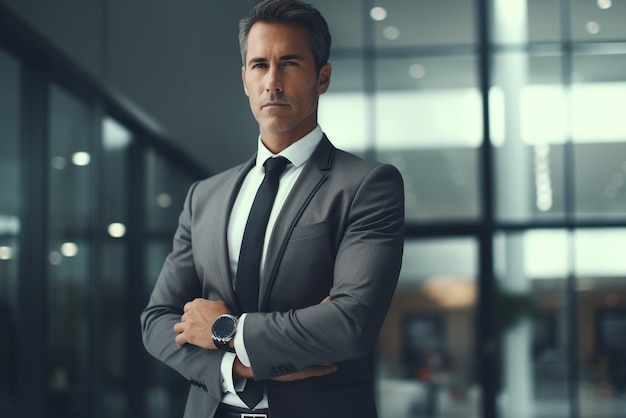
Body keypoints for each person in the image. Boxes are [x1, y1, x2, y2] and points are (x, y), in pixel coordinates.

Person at [140, 1, 404, 417]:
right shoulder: (203, 197)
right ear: (245, 79)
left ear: (323, 77)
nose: (273, 82)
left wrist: (223, 330)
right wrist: (236, 367)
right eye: (259, 65)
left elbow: (349, 323)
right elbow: (157, 321)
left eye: (291, 64)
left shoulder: (366, 186)